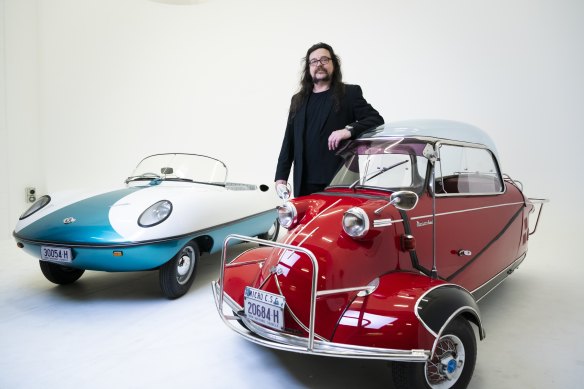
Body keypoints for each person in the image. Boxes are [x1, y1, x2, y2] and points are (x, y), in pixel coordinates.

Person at [275, 42, 384, 197]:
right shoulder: (298, 100)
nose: (319, 64)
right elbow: (289, 141)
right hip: (304, 182)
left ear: (334, 63)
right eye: (314, 61)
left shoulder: (350, 93)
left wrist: (348, 130)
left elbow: (376, 119)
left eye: (324, 60)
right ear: (308, 67)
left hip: (340, 180)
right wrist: (281, 178)